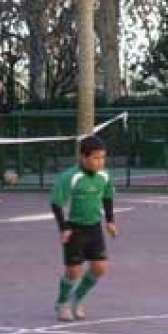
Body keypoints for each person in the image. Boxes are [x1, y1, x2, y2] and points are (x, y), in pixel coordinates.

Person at [50, 135, 117, 322]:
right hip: (74, 228)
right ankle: (62, 303)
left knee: (100, 268)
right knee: (73, 271)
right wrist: (63, 228)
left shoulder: (104, 175)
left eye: (102, 157)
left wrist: (110, 221)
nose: (100, 162)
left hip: (94, 227)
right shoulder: (70, 177)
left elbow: (107, 197)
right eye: (96, 158)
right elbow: (56, 204)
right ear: (83, 157)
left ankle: (77, 298)